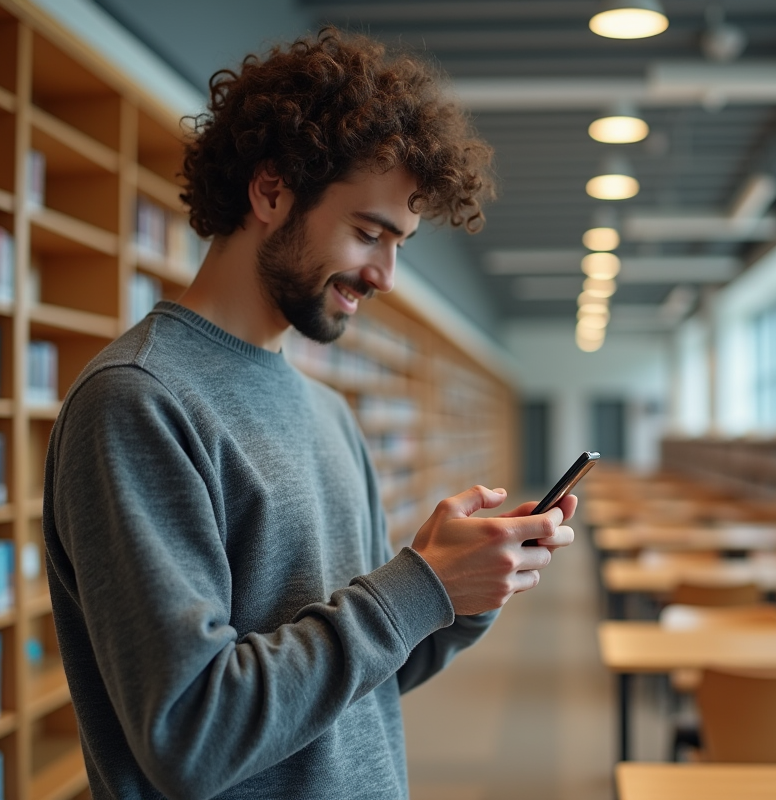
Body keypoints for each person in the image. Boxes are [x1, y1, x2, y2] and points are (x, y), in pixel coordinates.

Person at [41, 26, 576, 800]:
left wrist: (460, 596)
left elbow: (360, 680)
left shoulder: (327, 412)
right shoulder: (138, 401)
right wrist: (418, 586)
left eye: (401, 245)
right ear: (271, 192)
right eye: (369, 233)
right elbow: (191, 734)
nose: (386, 276)